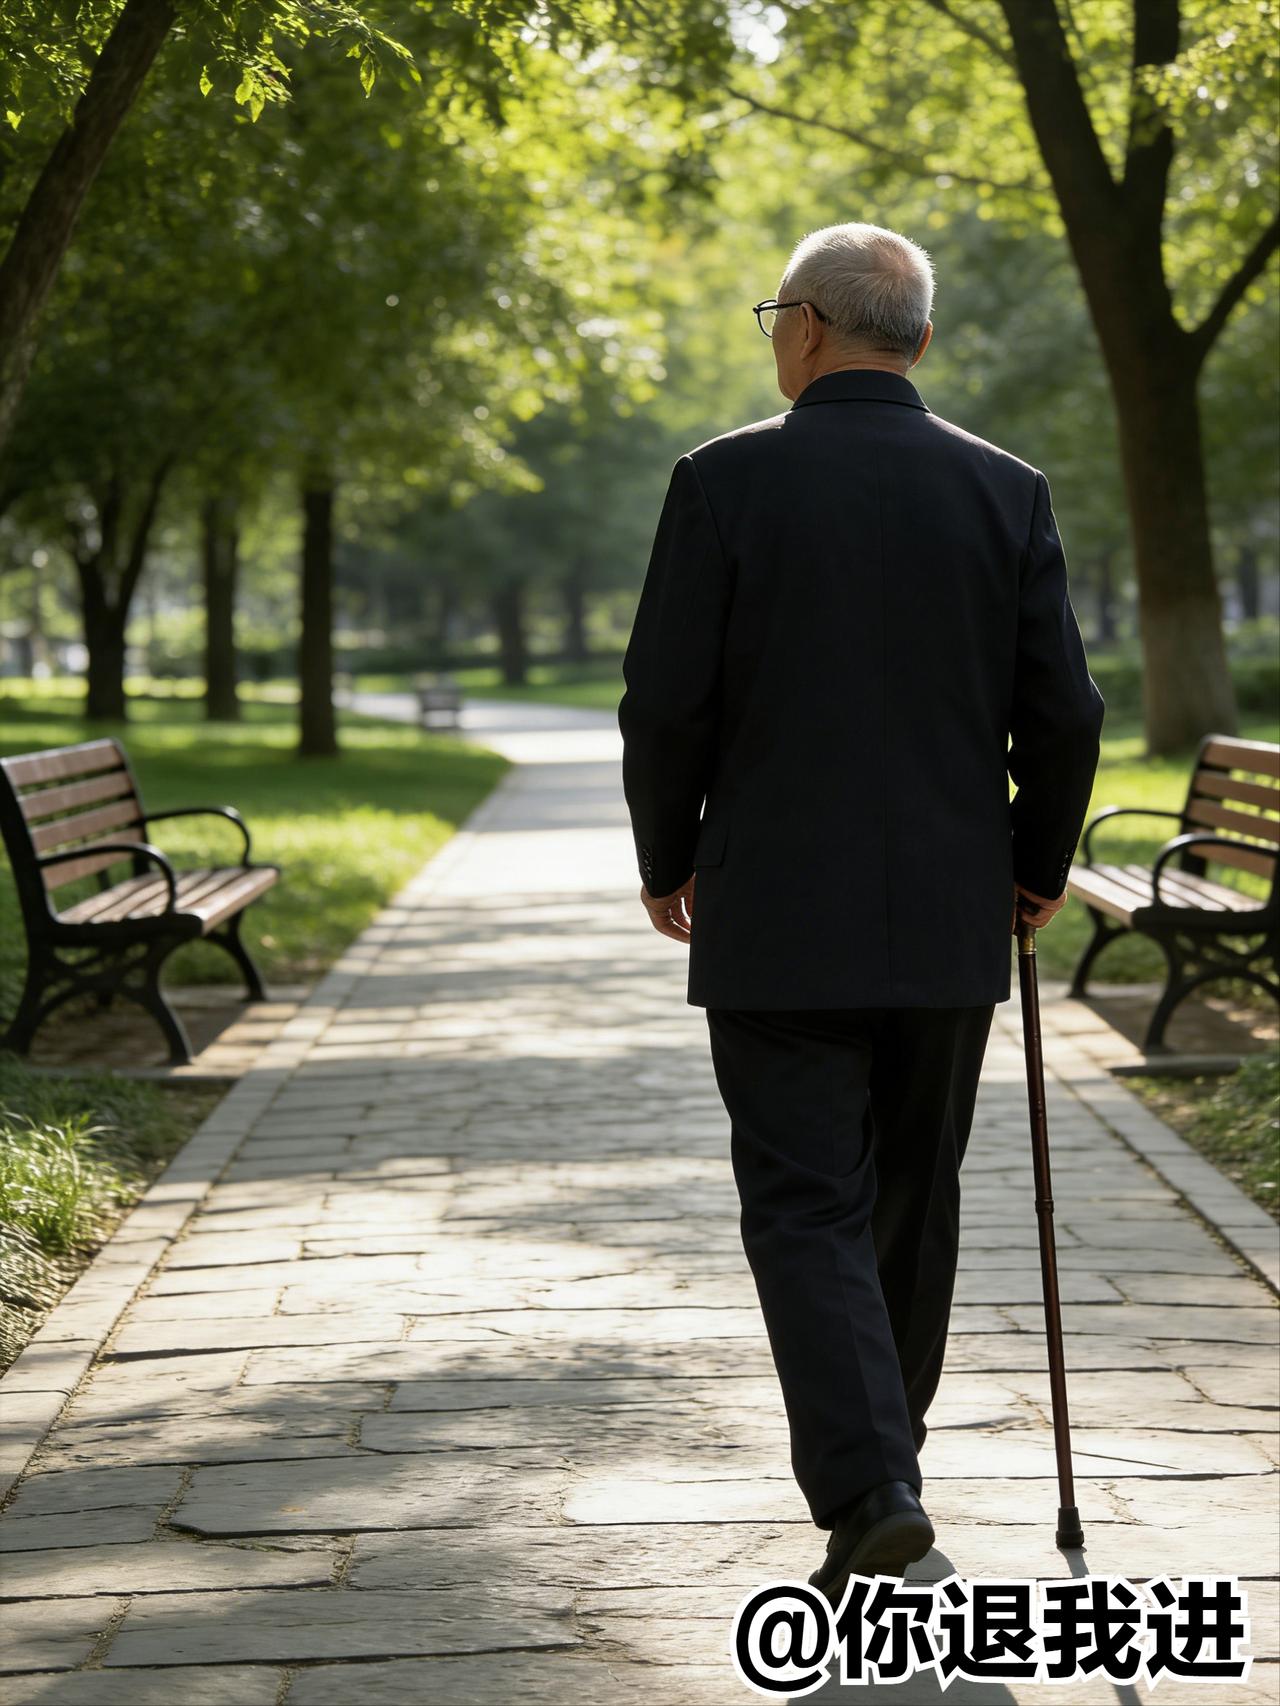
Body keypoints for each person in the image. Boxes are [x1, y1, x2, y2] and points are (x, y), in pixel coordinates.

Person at [616, 221, 1105, 1603]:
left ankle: (874, 1485)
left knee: (804, 1204)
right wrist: (1036, 861)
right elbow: (1063, 708)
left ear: (812, 329)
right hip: (950, 918)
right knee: (910, 1197)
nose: (773, 332)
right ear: (921, 343)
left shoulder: (722, 483)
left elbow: (665, 699)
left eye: (776, 311)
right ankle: (884, 1470)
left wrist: (669, 853)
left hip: (774, 912)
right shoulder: (1006, 491)